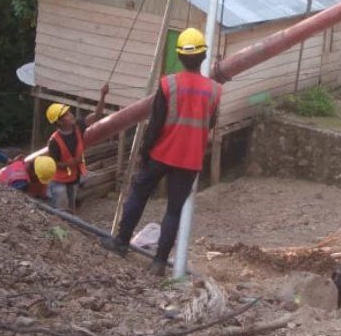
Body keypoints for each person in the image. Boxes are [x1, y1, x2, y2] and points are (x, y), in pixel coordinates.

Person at [114, 28, 221, 277]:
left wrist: (144, 152)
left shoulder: (168, 84)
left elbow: (155, 123)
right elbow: (211, 122)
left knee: (138, 195)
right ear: (203, 57)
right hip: (190, 159)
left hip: (161, 153)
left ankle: (120, 243)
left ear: (180, 57)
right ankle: (159, 263)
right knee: (174, 210)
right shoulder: (214, 90)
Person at [45, 83, 109, 212]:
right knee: (61, 212)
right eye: (67, 115)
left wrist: (103, 96)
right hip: (59, 182)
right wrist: (71, 163)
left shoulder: (78, 126)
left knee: (71, 210)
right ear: (59, 122)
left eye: (69, 113)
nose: (71, 115)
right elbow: (53, 164)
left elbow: (96, 116)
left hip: (73, 178)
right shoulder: (53, 141)